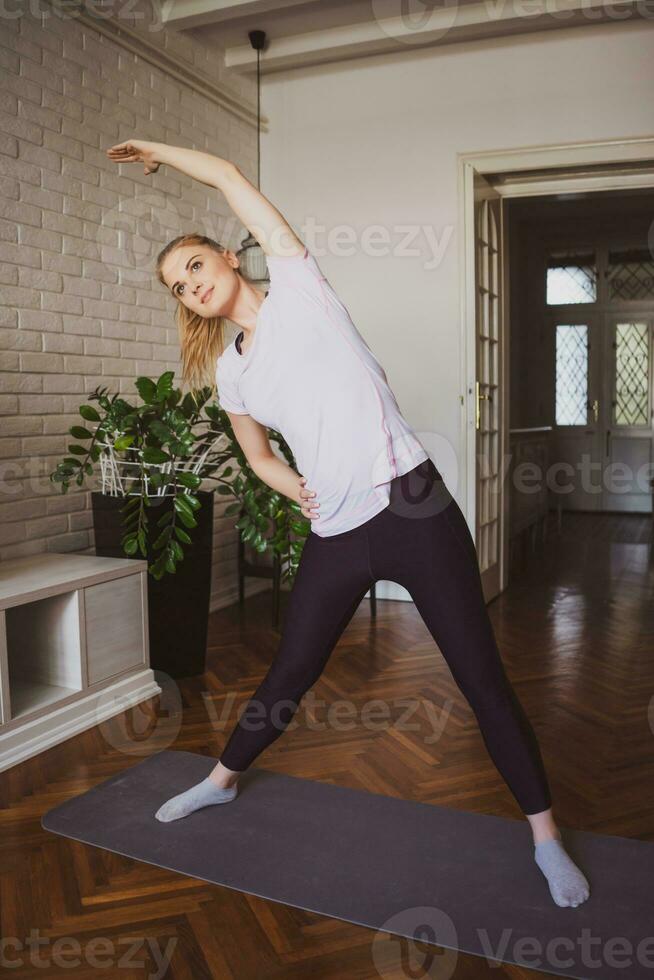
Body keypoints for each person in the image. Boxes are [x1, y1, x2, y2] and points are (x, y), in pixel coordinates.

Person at [106, 140, 590, 908]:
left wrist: (160, 154)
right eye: (176, 286)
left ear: (229, 256)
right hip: (336, 531)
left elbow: (231, 177)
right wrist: (298, 488)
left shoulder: (301, 287)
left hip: (412, 507)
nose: (189, 286)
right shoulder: (231, 370)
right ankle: (221, 782)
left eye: (194, 267)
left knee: (480, 677)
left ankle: (545, 838)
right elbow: (258, 455)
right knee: (289, 674)